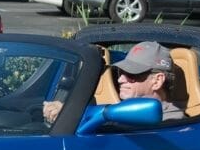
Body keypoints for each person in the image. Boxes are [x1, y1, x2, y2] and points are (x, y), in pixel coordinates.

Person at [42, 41, 185, 123]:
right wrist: (67, 112)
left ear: (157, 81)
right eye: (121, 72)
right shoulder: (122, 107)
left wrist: (72, 116)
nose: (120, 79)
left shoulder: (171, 121)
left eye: (131, 74)